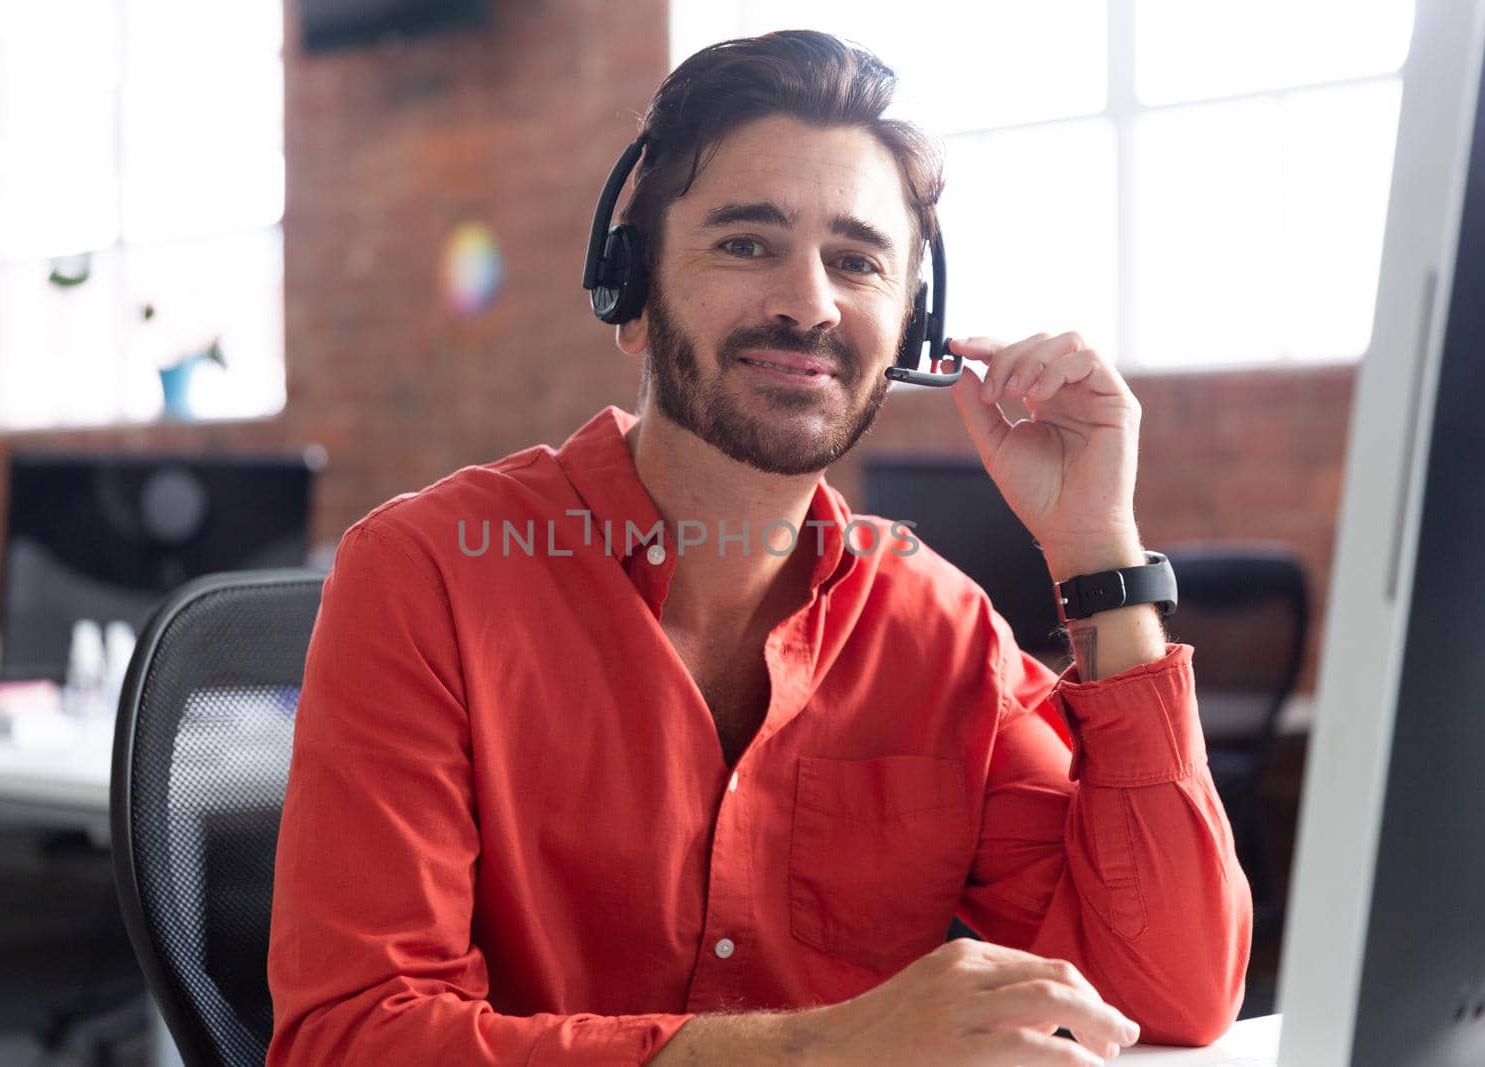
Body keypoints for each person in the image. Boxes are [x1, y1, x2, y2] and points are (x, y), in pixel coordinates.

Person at [266, 30, 1251, 1067]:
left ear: (913, 328)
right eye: (746, 243)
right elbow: (349, 1039)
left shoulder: (941, 628)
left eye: (857, 261)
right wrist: (815, 1047)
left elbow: (1166, 992)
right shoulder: (427, 574)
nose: (809, 303)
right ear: (630, 291)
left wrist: (1099, 550)